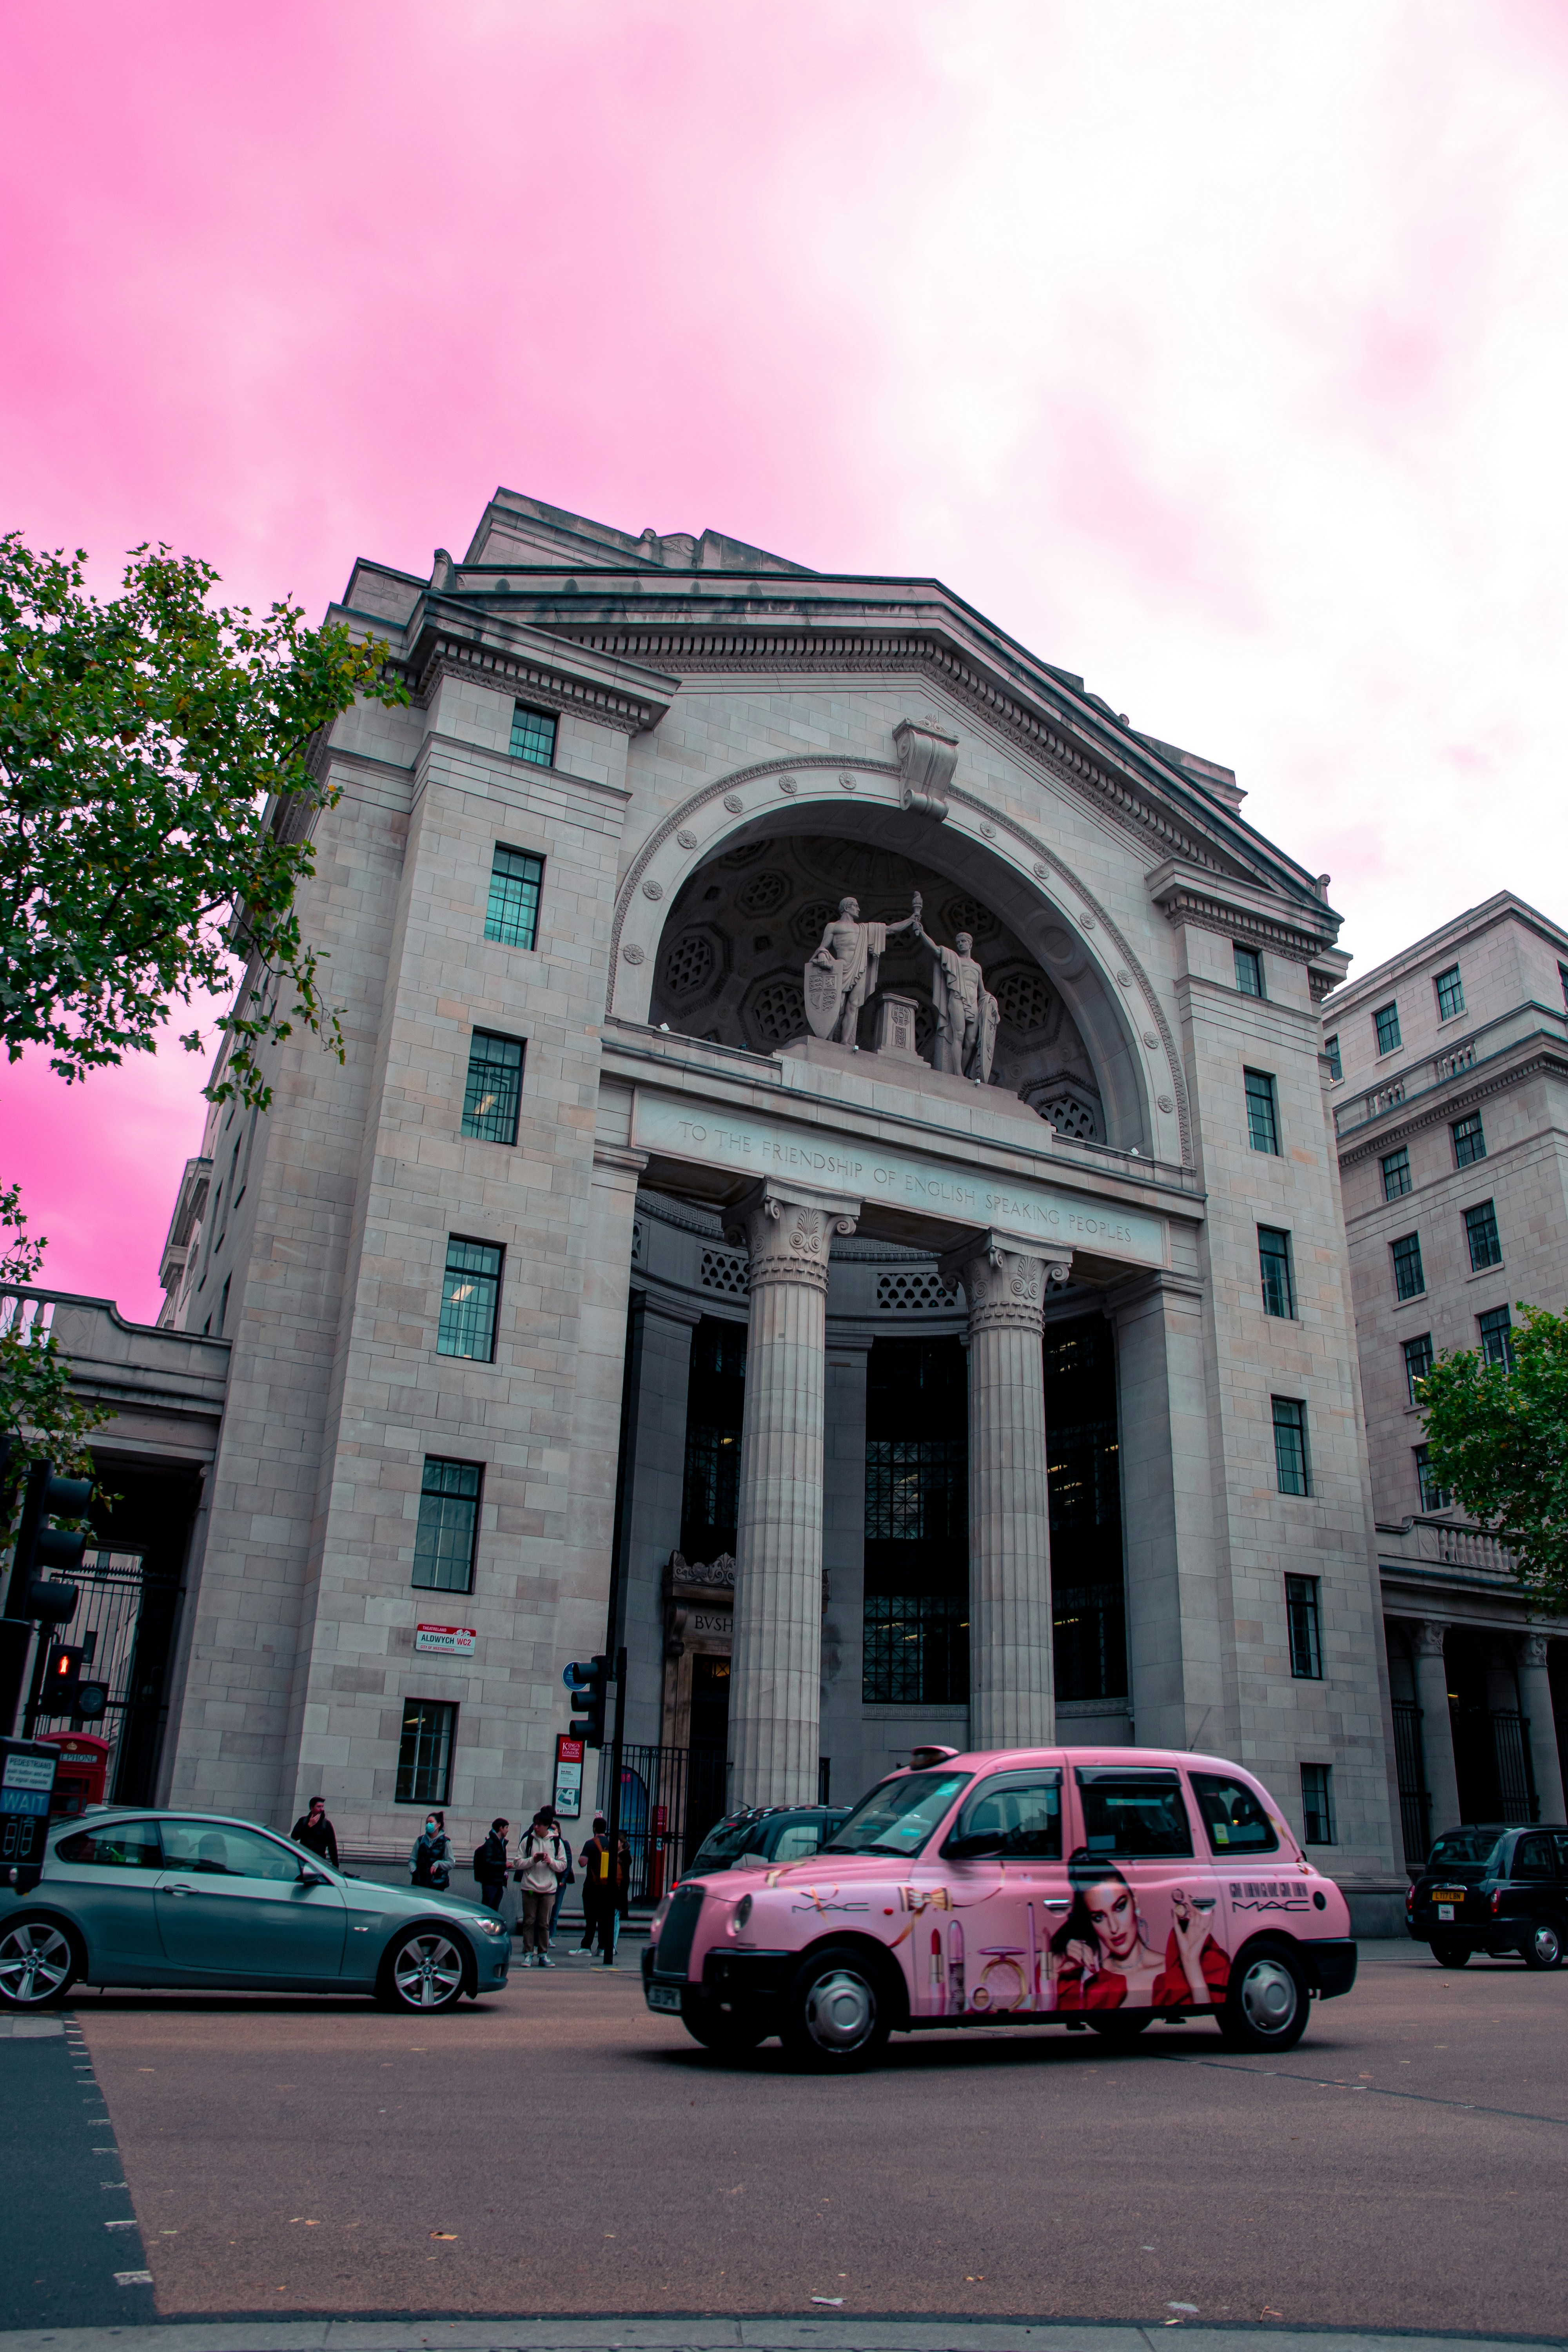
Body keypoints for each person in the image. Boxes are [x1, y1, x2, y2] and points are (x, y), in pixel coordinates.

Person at [1049, 1850, 1229, 2010]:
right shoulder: (1090, 1982)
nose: (1114, 1928)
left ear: (1134, 1900)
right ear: (1090, 1922)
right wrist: (1058, 1957)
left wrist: (1191, 1963)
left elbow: (1205, 2015)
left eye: (1119, 1907)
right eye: (1099, 1917)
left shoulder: (1178, 1964)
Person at [804, 895, 922, 1046]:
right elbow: (823, 947)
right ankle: (829, 1039)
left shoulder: (864, 929)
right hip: (840, 968)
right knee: (836, 1006)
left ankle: (845, 1042)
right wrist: (822, 955)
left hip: (860, 968)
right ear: (847, 908)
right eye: (856, 906)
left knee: (853, 1006)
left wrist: (911, 920)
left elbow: (891, 930)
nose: (859, 909)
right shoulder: (833, 927)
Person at [516, 1807, 566, 1964]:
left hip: (549, 1889)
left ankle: (543, 1954)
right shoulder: (528, 1840)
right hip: (530, 1887)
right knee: (529, 1921)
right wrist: (534, 1860)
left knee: (544, 1923)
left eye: (539, 1824)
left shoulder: (557, 1842)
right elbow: (517, 1863)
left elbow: (563, 1865)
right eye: (535, 1824)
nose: (536, 1827)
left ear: (547, 1826)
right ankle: (528, 1953)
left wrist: (550, 1861)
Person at [577, 1814, 630, 1961]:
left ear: (594, 1828)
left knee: (591, 1918)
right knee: (604, 1919)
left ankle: (586, 1947)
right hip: (607, 1888)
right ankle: (602, 1947)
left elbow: (582, 1862)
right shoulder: (610, 1843)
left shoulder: (590, 1844)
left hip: (591, 1886)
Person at [289, 1795, 339, 1868]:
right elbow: (294, 1837)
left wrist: (336, 1865)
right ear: (312, 1808)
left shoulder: (326, 1824)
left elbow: (332, 1846)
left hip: (319, 1861)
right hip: (304, 1859)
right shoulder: (303, 1821)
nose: (322, 1809)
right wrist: (308, 1826)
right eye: (319, 1807)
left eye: (323, 1807)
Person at [409, 1811, 454, 1891]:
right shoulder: (421, 1840)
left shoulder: (445, 1842)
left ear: (438, 1824)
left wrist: (438, 1864)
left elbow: (451, 1862)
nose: (428, 1825)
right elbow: (412, 1859)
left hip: (438, 1883)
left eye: (431, 1822)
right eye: (427, 1823)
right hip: (419, 1882)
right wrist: (414, 1871)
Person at [474, 1818, 510, 1911]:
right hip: (491, 1882)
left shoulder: (500, 1843)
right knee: (488, 1908)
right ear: (501, 1828)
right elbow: (487, 1862)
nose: (508, 1830)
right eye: (506, 1828)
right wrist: (504, 1865)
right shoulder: (491, 1843)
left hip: (497, 1882)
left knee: (494, 1907)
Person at [549, 1815, 574, 1942]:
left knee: (555, 1910)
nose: (554, 1831)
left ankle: (550, 1937)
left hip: (559, 1881)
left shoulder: (564, 1843)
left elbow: (568, 1863)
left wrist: (563, 1880)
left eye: (555, 1829)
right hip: (548, 1880)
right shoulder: (547, 1842)